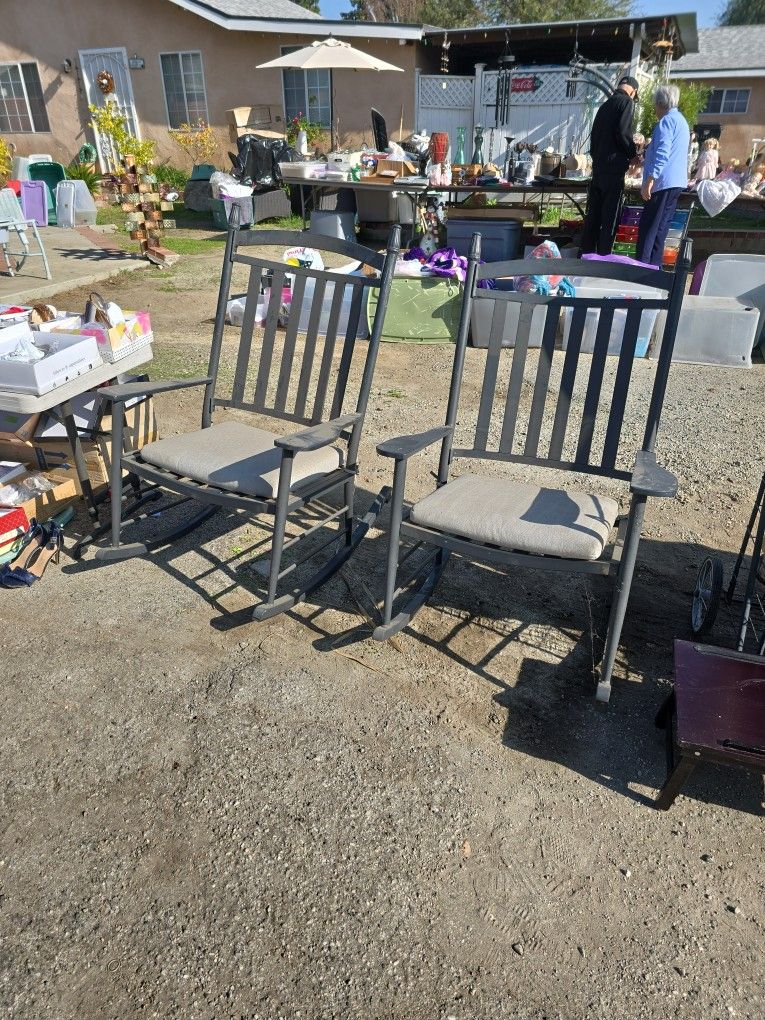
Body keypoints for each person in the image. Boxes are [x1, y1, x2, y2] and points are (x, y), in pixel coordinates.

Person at [580, 75, 640, 255]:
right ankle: (604, 256)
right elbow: (623, 133)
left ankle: (586, 254)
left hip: (598, 167)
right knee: (609, 217)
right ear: (633, 91)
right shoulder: (626, 103)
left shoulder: (604, 105)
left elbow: (594, 136)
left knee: (593, 216)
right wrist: (632, 154)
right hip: (614, 169)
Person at [636, 85, 690, 265]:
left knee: (648, 228)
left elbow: (663, 152)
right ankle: (654, 268)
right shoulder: (681, 121)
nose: (654, 109)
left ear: (660, 103)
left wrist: (650, 179)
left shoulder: (666, 121)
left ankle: (641, 270)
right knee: (661, 229)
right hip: (676, 182)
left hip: (663, 182)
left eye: (655, 105)